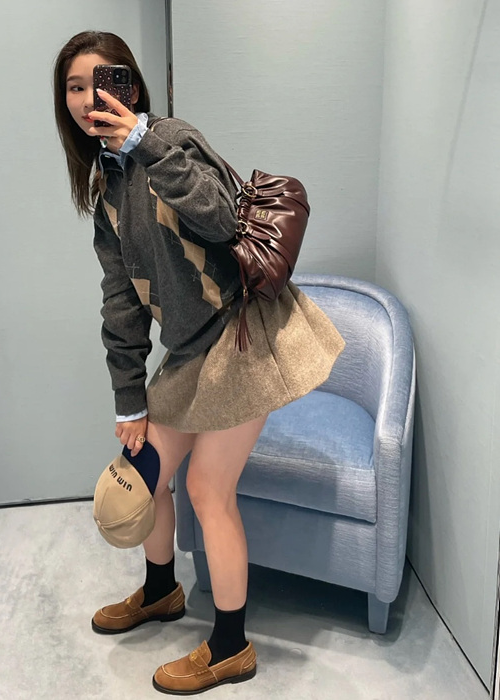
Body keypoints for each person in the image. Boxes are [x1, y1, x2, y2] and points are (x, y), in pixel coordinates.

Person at [53, 30, 345, 695]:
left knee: (209, 490)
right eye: (74, 86)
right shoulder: (106, 188)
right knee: (142, 476)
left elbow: (221, 221)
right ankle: (162, 591)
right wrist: (129, 398)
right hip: (190, 352)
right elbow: (121, 301)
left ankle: (231, 647)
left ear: (130, 87)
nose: (89, 97)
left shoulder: (171, 140)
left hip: (243, 334)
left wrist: (144, 142)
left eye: (104, 81)